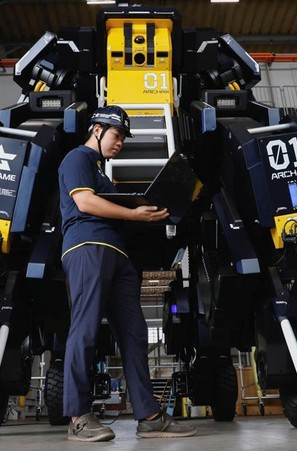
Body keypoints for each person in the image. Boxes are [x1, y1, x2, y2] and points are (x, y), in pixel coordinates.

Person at [58, 105, 197, 442]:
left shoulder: (102, 174)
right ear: (96, 130)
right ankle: (78, 416)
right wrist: (135, 216)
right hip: (87, 247)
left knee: (134, 335)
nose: (119, 143)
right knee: (86, 329)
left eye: (122, 138)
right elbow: (86, 204)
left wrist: (150, 208)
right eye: (116, 135)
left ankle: (149, 416)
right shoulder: (77, 159)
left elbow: (111, 203)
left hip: (119, 257)